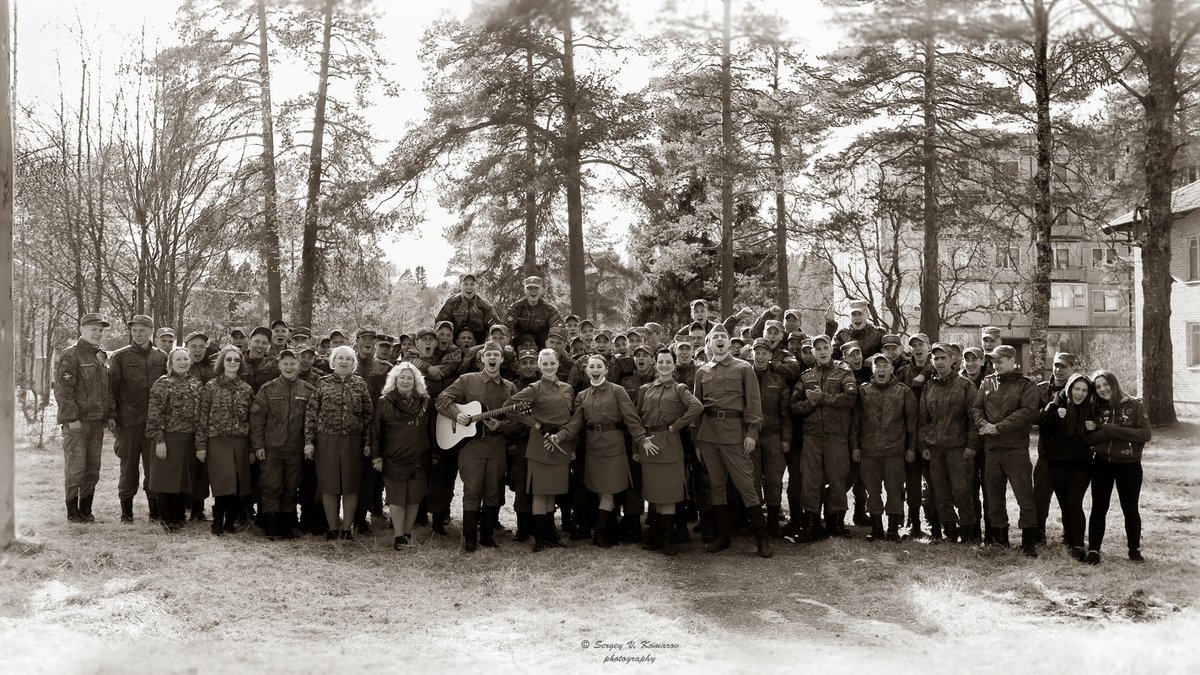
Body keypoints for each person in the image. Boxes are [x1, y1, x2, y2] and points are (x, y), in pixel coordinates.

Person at [552, 354, 648, 549]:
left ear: (606, 370)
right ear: (587, 371)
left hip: (614, 447)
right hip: (593, 449)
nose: (595, 370)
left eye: (599, 367)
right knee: (601, 491)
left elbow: (631, 418)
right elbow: (575, 425)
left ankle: (600, 536)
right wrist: (561, 437)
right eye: (591, 367)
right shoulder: (582, 396)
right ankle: (609, 532)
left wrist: (642, 439)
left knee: (607, 493)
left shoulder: (617, 391)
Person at [692, 325, 770, 558]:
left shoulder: (744, 368)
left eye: (723, 337)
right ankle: (723, 537)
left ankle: (762, 539)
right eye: (714, 337)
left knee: (746, 486)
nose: (719, 340)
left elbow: (754, 404)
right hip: (708, 436)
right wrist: (696, 441)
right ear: (708, 345)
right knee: (716, 486)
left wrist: (752, 434)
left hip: (735, 435)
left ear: (729, 343)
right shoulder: (701, 372)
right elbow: (697, 407)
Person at [435, 341, 519, 552]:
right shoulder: (466, 380)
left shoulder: (510, 388)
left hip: (496, 444)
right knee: (472, 490)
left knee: (494, 490)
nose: (492, 358)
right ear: (481, 358)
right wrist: (457, 414)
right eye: (488, 354)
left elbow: (516, 421)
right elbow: (441, 399)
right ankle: (470, 538)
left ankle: (488, 537)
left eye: (496, 355)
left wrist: (501, 425)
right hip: (471, 446)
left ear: (501, 359)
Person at [971, 344, 1041, 557]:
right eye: (993, 361)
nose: (995, 365)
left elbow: (1028, 412)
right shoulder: (987, 382)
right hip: (992, 451)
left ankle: (1028, 543)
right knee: (994, 498)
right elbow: (976, 407)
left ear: (1012, 360)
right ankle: (1001, 541)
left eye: (1000, 361)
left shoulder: (1026, 384)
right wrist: (982, 423)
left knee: (1024, 497)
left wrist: (998, 427)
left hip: (1015, 450)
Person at [507, 348, 578, 551]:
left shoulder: (567, 388)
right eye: (544, 364)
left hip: (560, 443)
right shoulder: (534, 388)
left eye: (552, 363)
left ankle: (551, 536)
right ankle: (540, 539)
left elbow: (571, 418)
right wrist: (535, 424)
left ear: (558, 364)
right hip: (540, 444)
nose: (548, 367)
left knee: (551, 492)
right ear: (539, 366)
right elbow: (509, 406)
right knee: (539, 493)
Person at [635, 347, 704, 555]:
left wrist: (677, 425)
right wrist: (637, 445)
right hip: (649, 443)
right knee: (654, 493)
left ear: (674, 366)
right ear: (655, 364)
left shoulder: (680, 388)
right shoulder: (645, 389)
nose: (664, 365)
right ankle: (655, 536)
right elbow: (637, 418)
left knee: (670, 493)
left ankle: (667, 539)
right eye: (661, 361)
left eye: (668, 362)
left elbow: (697, 407)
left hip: (670, 444)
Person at [790, 334, 857, 542]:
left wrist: (822, 398)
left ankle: (835, 524)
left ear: (830, 349)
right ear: (812, 353)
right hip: (812, 436)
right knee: (810, 480)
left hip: (836, 435)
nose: (821, 351)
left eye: (824, 347)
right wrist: (810, 404)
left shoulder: (844, 372)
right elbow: (793, 406)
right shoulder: (806, 377)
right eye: (816, 349)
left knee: (837, 478)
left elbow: (851, 399)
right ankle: (811, 524)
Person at [304, 345, 374, 541]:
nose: (344, 362)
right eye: (340, 358)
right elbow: (311, 413)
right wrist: (309, 441)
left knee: (351, 485)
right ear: (332, 362)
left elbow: (369, 416)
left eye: (348, 359)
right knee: (329, 484)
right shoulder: (322, 383)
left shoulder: (360, 384)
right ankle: (333, 527)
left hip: (353, 441)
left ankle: (347, 528)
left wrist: (368, 442)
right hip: (327, 440)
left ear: (354, 363)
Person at [1085, 370, 1151, 565]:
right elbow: (1088, 438)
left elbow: (1145, 434)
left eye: (1105, 384)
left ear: (1114, 384)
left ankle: (1134, 549)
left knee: (1130, 508)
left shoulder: (1135, 404)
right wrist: (1104, 434)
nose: (1102, 389)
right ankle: (1094, 550)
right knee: (1099, 507)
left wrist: (1111, 430)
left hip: (1129, 465)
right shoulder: (1095, 408)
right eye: (1097, 387)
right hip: (1102, 463)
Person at [249, 349, 316, 540]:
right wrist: (258, 446)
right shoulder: (267, 389)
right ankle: (271, 525)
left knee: (291, 486)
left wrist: (308, 444)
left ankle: (286, 526)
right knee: (271, 487)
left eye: (292, 363)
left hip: (295, 449)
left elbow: (311, 421)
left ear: (298, 365)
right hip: (271, 448)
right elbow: (256, 419)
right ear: (279, 365)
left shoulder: (307, 390)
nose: (289, 367)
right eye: (285, 363)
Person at [54, 313, 114, 523]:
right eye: (93, 329)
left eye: (100, 330)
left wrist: (109, 415)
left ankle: (86, 510)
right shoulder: (71, 355)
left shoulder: (101, 357)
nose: (97, 333)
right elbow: (63, 390)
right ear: (82, 329)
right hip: (77, 423)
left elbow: (107, 390)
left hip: (96, 422)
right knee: (75, 468)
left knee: (92, 469)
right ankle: (72, 512)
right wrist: (71, 418)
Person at [110, 314, 170, 523]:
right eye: (134, 330)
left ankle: (154, 508)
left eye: (141, 330)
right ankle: (126, 509)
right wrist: (113, 419)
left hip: (153, 423)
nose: (137, 334)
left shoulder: (161, 357)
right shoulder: (120, 357)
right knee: (128, 468)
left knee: (153, 468)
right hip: (128, 423)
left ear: (151, 331)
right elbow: (112, 391)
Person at [851, 353, 917, 542]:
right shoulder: (863, 391)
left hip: (894, 451)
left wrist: (911, 448)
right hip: (868, 451)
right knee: (873, 491)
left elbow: (912, 423)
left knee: (895, 491)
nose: (881, 370)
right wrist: (855, 446)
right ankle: (877, 528)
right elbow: (855, 421)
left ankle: (893, 530)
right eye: (877, 366)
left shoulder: (903, 391)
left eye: (885, 366)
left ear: (892, 369)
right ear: (872, 370)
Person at [918, 343, 981, 543]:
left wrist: (971, 446)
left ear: (953, 360)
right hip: (935, 450)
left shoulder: (965, 385)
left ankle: (969, 535)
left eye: (943, 358)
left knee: (963, 491)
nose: (939, 362)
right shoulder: (929, 387)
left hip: (959, 449)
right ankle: (950, 534)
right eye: (935, 359)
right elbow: (923, 420)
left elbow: (974, 419)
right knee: (941, 492)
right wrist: (924, 446)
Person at [371, 361, 433, 550]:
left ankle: (408, 534)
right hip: (394, 457)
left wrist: (434, 453)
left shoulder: (425, 401)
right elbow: (375, 431)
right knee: (397, 498)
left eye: (410, 378)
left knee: (413, 498)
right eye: (402, 378)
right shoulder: (385, 401)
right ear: (394, 379)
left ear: (416, 381)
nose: (405, 381)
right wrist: (376, 456)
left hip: (419, 457)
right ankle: (398, 537)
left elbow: (431, 429)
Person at [197, 346, 255, 536]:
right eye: (228, 359)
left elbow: (252, 420)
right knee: (223, 482)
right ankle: (217, 523)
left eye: (236, 360)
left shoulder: (246, 389)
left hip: (240, 441)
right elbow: (202, 417)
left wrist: (253, 447)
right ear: (222, 362)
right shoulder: (211, 386)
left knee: (238, 483)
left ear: (241, 364)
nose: (232, 363)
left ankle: (230, 522)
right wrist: (201, 445)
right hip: (217, 440)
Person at [1037, 373, 1095, 562]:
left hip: (1081, 464)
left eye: (1084, 391)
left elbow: (1100, 431)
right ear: (1069, 389)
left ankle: (1078, 544)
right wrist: (1054, 416)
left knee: (1074, 501)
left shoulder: (1091, 409)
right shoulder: (1056, 405)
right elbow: (1043, 429)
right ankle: (1069, 538)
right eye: (1076, 389)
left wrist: (1095, 425)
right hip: (1058, 463)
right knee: (1064, 504)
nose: (1080, 394)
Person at [146, 348, 203, 532]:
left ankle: (179, 517)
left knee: (182, 480)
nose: (182, 362)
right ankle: (167, 519)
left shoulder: (196, 383)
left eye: (185, 359)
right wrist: (159, 440)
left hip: (189, 439)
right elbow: (154, 415)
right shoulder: (162, 384)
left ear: (190, 362)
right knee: (166, 480)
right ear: (170, 363)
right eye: (178, 359)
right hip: (168, 438)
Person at [749, 338, 792, 538]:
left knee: (774, 479)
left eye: (764, 353)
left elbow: (785, 412)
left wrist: (786, 438)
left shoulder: (778, 380)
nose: (760, 356)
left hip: (773, 435)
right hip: (751, 436)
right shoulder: (744, 376)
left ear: (770, 356)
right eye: (757, 352)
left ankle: (774, 521)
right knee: (753, 479)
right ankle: (756, 520)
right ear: (752, 354)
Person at [1034, 352, 1077, 545]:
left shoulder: (1079, 390)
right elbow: (1032, 415)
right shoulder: (1042, 390)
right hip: (1046, 454)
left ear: (1072, 369)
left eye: (1064, 367)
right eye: (1056, 366)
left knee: (1068, 499)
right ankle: (1038, 533)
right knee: (1040, 496)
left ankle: (1069, 535)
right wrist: (1049, 413)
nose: (1059, 370)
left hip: (1069, 455)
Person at [435, 272, 501, 343]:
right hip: (455, 343)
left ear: (476, 286)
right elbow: (440, 325)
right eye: (465, 284)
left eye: (472, 284)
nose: (469, 287)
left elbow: (496, 326)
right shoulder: (451, 303)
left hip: (479, 343)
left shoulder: (484, 305)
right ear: (460, 285)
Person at [505, 276, 564, 349]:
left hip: (543, 348)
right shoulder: (515, 308)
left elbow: (558, 329)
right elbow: (506, 328)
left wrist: (552, 346)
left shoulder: (550, 310)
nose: (533, 291)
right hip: (518, 346)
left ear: (541, 290)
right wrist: (508, 345)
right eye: (529, 288)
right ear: (524, 290)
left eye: (536, 288)